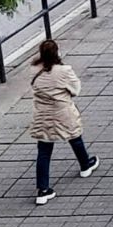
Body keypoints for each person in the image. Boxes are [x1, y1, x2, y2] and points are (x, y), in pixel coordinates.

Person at [28, 39, 96, 206]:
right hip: (62, 111)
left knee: (44, 151)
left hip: (43, 114)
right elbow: (76, 89)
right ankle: (85, 165)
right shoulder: (64, 70)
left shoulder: (34, 70)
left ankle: (43, 190)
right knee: (74, 137)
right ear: (57, 52)